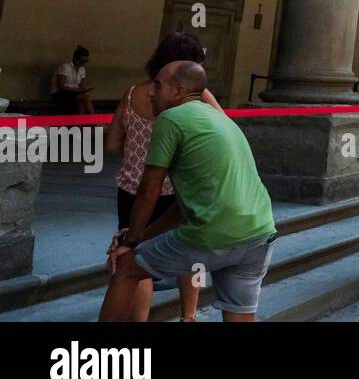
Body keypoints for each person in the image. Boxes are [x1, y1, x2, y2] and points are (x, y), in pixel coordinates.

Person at [100, 61, 276, 322]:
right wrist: (139, 235)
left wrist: (130, 243)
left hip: (214, 234)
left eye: (158, 85)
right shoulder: (218, 118)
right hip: (259, 232)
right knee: (239, 314)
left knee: (125, 268)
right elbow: (184, 207)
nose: (150, 92)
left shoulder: (171, 118)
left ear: (178, 91)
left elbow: (149, 190)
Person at [104, 33, 222, 322]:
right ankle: (189, 316)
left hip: (132, 189)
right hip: (175, 192)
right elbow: (223, 128)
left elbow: (112, 145)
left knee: (134, 258)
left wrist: (138, 148)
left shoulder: (132, 94)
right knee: (190, 255)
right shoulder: (194, 96)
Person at [53, 46, 95, 114]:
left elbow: (81, 85)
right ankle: (94, 120)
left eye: (85, 61)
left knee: (81, 102)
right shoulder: (65, 67)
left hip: (73, 94)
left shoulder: (82, 70)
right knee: (85, 98)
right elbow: (60, 86)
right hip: (60, 94)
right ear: (75, 58)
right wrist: (77, 90)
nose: (83, 64)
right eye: (81, 61)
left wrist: (85, 90)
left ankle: (79, 123)